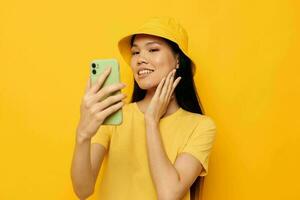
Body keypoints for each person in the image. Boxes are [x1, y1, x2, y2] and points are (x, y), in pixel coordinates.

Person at [71, 17, 217, 200]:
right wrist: (82, 136)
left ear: (178, 60)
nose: (140, 59)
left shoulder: (201, 126)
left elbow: (168, 195)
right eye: (135, 52)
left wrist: (151, 122)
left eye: (153, 49)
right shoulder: (114, 116)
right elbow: (83, 191)